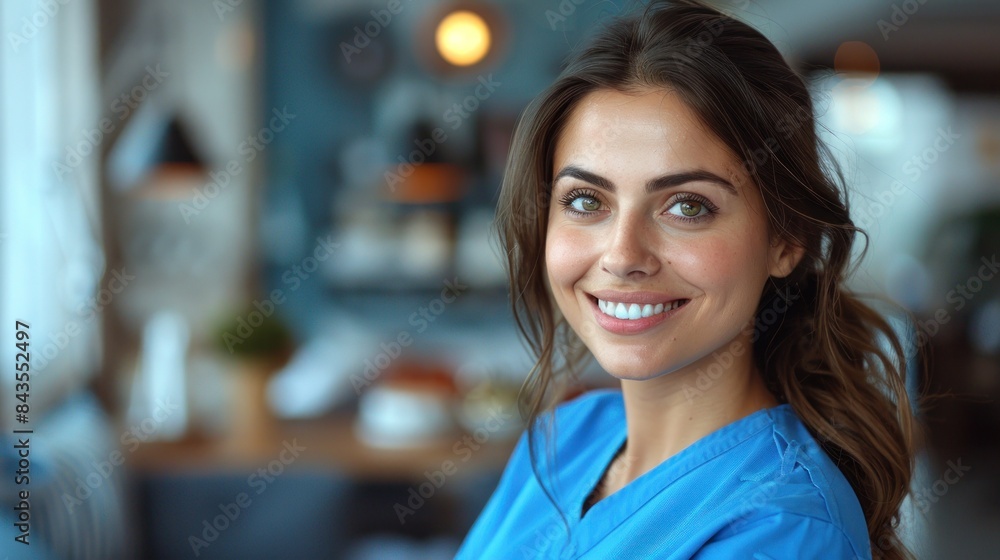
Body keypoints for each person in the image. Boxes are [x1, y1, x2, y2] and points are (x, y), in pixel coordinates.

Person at [456, 1, 921, 558]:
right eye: (585, 200)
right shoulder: (565, 439)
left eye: (687, 207)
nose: (623, 255)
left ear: (786, 240)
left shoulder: (782, 528)